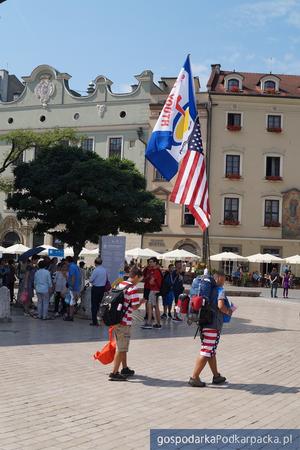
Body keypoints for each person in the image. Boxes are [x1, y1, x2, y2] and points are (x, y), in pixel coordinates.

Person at [189, 270, 232, 387]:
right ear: (218, 278)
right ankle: (194, 377)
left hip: (204, 323)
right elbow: (220, 306)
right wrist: (228, 311)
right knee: (207, 350)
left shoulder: (207, 290)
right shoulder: (219, 290)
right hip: (213, 324)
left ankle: (216, 376)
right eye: (223, 280)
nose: (223, 283)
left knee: (210, 350)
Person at [109, 267, 144, 381]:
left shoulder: (120, 283)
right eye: (140, 279)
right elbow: (134, 306)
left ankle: (124, 368)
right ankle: (114, 373)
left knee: (122, 346)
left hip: (115, 319)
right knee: (121, 347)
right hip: (124, 321)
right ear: (136, 277)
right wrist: (142, 302)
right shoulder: (132, 288)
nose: (139, 281)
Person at [141, 257, 163, 329]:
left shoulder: (155, 271)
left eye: (151, 262)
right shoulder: (156, 270)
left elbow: (151, 281)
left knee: (150, 307)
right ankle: (158, 323)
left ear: (155, 262)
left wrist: (150, 279)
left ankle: (149, 323)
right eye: (149, 262)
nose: (149, 263)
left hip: (153, 290)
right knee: (155, 307)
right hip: (155, 290)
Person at [89, 257, 108, 326]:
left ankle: (94, 321)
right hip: (102, 289)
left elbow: (91, 280)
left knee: (94, 305)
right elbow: (106, 280)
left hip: (96, 289)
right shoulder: (104, 270)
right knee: (100, 305)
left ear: (95, 263)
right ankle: (100, 319)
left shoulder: (96, 270)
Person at [64, 256, 81, 321]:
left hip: (73, 288)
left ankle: (70, 316)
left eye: (65, 261)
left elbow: (73, 277)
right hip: (75, 287)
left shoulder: (72, 267)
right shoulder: (75, 266)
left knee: (71, 303)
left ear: (67, 261)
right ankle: (70, 315)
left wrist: (72, 286)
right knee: (70, 302)